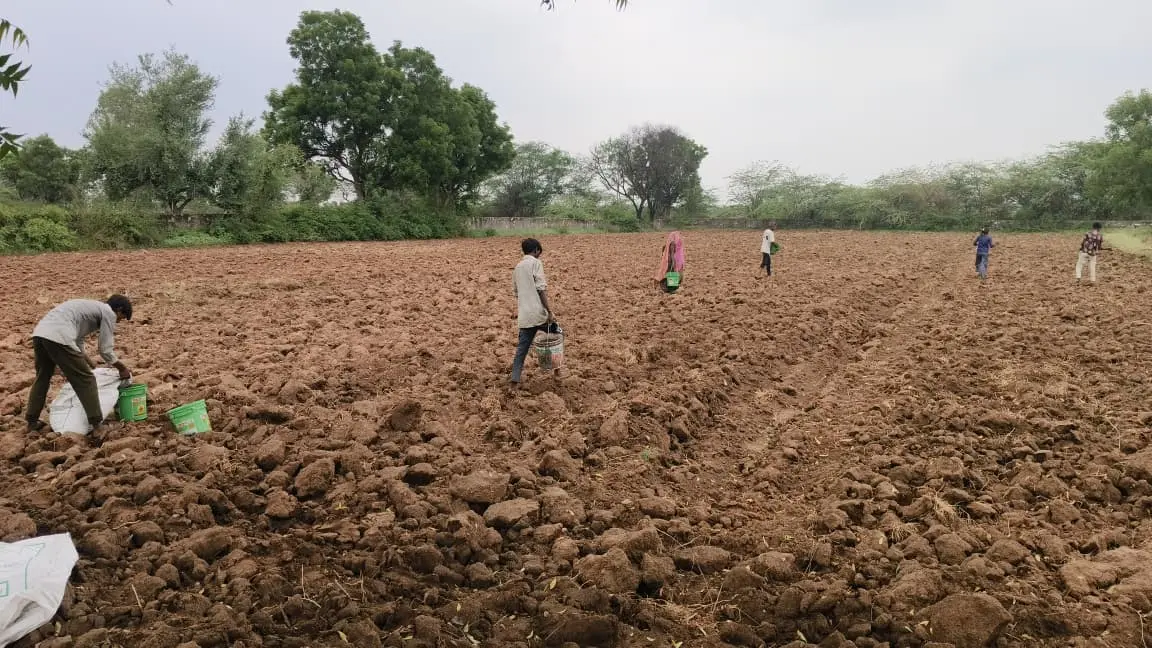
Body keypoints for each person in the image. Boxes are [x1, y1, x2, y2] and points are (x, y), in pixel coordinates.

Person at [26, 295, 133, 434]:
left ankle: (31, 421)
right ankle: (97, 426)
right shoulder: (108, 312)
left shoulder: (89, 308)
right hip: (59, 335)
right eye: (121, 318)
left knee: (42, 377)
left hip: (41, 334)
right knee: (86, 380)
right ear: (119, 310)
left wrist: (91, 364)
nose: (118, 321)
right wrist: (122, 368)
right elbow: (105, 349)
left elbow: (78, 341)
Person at [511, 239, 555, 387]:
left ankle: (514, 380)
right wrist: (549, 311)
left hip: (525, 316)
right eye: (539, 253)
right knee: (557, 334)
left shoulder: (518, 267)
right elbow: (541, 288)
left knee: (521, 350)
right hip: (538, 314)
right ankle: (554, 368)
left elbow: (516, 292)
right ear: (536, 250)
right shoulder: (536, 263)